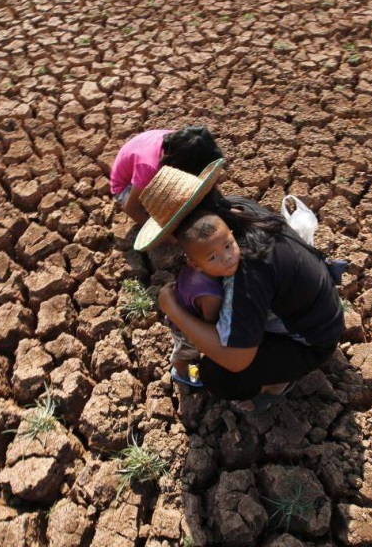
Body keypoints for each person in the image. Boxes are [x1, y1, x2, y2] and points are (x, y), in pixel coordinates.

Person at [134, 163, 345, 414]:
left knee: (219, 375)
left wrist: (173, 309)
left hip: (312, 341)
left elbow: (236, 359)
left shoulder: (243, 268)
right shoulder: (236, 210)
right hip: (318, 308)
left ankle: (275, 384)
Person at [110, 126, 223, 225]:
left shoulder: (184, 141)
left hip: (141, 164)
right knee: (176, 212)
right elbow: (131, 208)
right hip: (125, 188)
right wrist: (168, 237)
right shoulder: (149, 167)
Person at [168, 214, 229, 386]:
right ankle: (183, 374)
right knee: (185, 355)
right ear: (195, 264)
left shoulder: (195, 268)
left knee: (188, 353)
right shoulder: (211, 295)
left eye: (227, 246)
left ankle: (188, 367)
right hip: (186, 329)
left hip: (179, 313)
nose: (226, 257)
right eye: (213, 257)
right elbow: (210, 324)